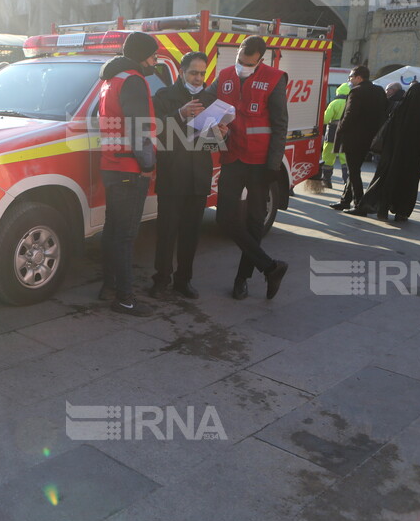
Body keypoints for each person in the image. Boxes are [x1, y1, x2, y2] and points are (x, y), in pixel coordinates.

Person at [210, 35, 290, 301]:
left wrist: (273, 165)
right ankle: (270, 267)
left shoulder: (276, 78)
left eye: (248, 63)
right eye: (239, 60)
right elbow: (205, 101)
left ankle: (242, 279)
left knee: (255, 222)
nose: (242, 66)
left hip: (259, 163)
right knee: (224, 218)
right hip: (232, 157)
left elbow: (280, 125)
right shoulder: (224, 76)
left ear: (260, 60)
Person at [150, 51, 223, 300]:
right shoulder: (164, 96)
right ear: (182, 72)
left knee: (191, 233)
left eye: (202, 73)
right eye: (193, 72)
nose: (198, 78)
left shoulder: (209, 99)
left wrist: (221, 134)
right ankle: (161, 280)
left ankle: (184, 280)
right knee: (167, 232)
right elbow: (157, 134)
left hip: (198, 177)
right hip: (172, 175)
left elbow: (210, 145)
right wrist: (180, 114)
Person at [96, 32, 159, 316]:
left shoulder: (111, 79)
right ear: (141, 55)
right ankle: (125, 298)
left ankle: (109, 287)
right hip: (129, 168)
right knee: (125, 236)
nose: (155, 62)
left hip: (111, 165)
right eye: (153, 56)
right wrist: (147, 166)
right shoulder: (133, 80)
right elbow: (139, 129)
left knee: (112, 232)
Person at [358, 83, 420, 221]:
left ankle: (382, 210)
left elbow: (387, 132)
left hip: (393, 155)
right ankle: (402, 213)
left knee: (389, 181)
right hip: (414, 158)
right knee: (409, 185)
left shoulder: (399, 110)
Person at [332, 66, 388, 213]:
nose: (350, 80)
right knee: (353, 170)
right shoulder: (379, 91)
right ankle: (345, 201)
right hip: (371, 138)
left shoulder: (356, 92)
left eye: (351, 77)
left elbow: (349, 115)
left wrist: (340, 130)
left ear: (358, 77)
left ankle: (359, 205)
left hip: (354, 138)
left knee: (354, 171)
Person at [319, 83, 351, 189]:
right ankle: (347, 182)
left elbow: (325, 119)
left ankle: (327, 181)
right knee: (344, 158)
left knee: (328, 157)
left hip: (332, 132)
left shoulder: (334, 103)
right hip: (346, 133)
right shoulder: (351, 102)